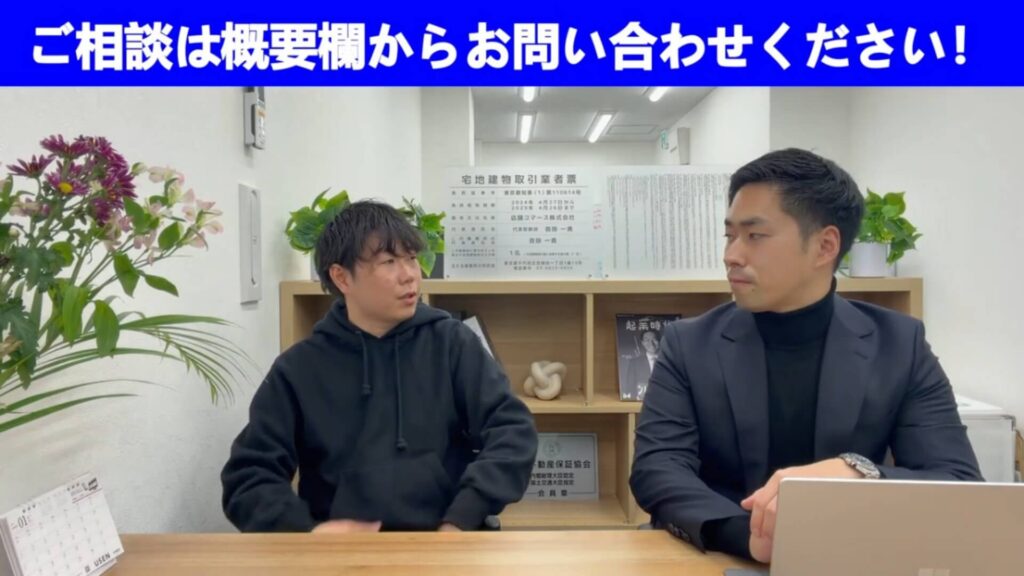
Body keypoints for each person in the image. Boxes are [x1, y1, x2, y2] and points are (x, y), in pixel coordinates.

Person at [629, 148, 982, 563]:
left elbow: (956, 480)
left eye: (754, 236)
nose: (731, 255)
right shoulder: (689, 343)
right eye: (730, 236)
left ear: (824, 246)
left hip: (850, 557)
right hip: (722, 554)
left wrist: (856, 470)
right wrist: (746, 535)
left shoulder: (899, 344)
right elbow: (657, 468)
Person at [222, 199, 539, 533]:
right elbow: (249, 476)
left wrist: (463, 517)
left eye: (411, 258)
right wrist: (307, 533)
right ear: (341, 277)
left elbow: (512, 431)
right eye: (389, 262)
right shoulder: (299, 368)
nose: (410, 275)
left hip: (449, 539)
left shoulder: (452, 344)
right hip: (339, 551)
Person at [624, 330, 660, 401]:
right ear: (642, 343)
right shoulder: (634, 363)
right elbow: (630, 387)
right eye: (647, 340)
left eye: (654, 339)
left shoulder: (668, 361)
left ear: (659, 341)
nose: (651, 343)